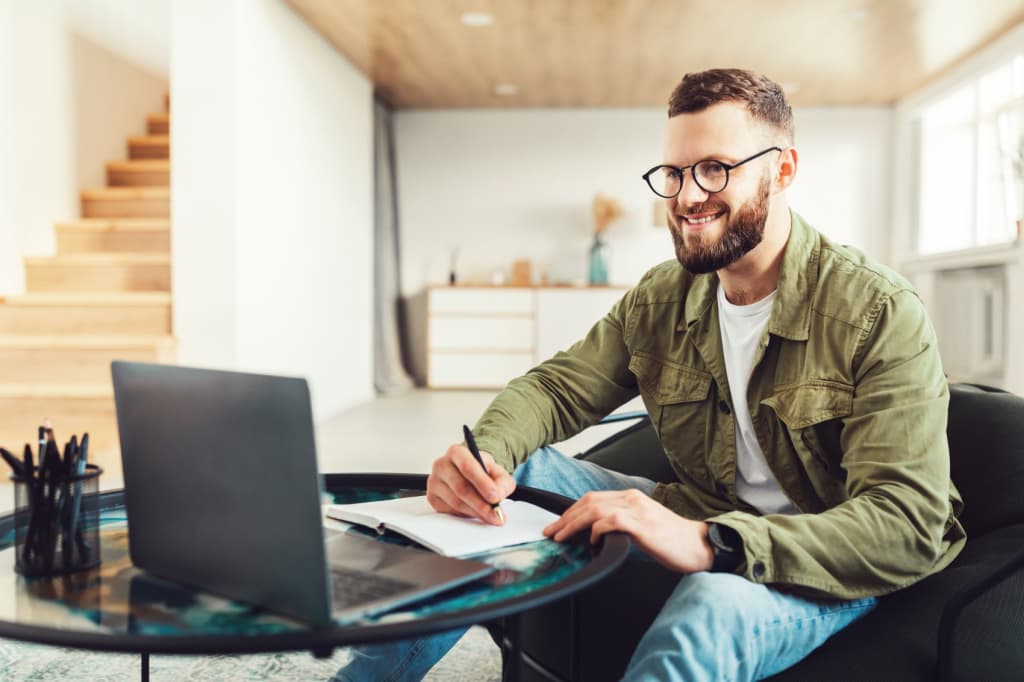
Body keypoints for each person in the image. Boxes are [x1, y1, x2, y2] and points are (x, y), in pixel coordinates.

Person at [334, 67, 965, 681]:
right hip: (700, 508)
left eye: (716, 168)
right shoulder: (665, 295)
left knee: (713, 605)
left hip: (818, 555)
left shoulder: (879, 310)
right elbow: (556, 389)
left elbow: (905, 520)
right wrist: (486, 457)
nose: (688, 197)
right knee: (502, 482)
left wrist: (713, 543)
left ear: (784, 169)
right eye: (674, 173)